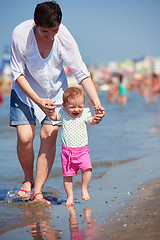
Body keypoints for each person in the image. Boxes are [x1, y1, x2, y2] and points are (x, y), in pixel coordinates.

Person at [10, 1, 105, 204]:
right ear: (35, 24)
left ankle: (37, 191)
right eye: (46, 32)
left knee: (49, 136)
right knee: (25, 137)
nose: (51, 36)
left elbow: (81, 72)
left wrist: (97, 103)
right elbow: (17, 72)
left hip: (55, 95)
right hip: (25, 92)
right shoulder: (20, 34)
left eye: (55, 30)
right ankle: (27, 179)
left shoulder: (63, 37)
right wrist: (37, 100)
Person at [50, 87, 102, 206]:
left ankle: (84, 188)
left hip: (82, 151)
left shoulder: (84, 114)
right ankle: (70, 196)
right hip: (67, 153)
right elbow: (54, 117)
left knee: (87, 169)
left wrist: (97, 115)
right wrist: (50, 110)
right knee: (67, 176)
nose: (77, 110)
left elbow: (92, 121)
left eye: (80, 106)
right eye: (72, 107)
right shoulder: (62, 114)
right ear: (64, 106)